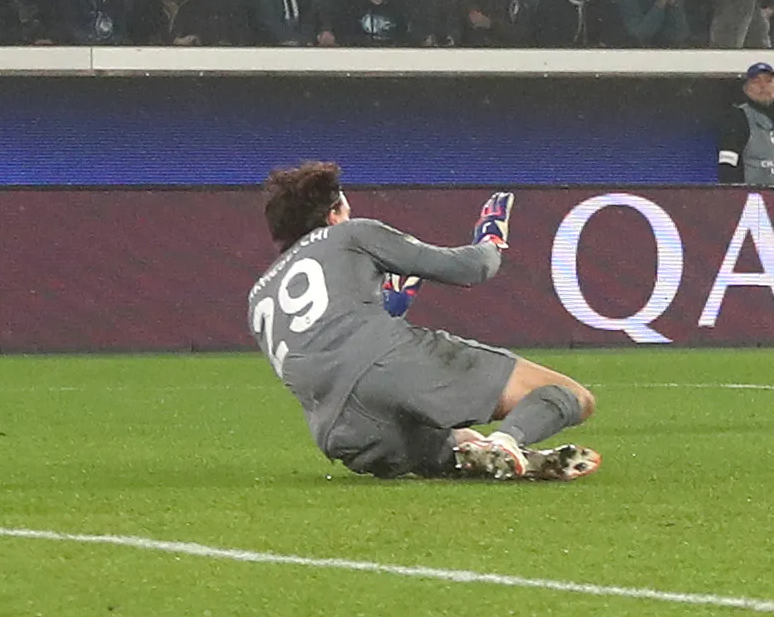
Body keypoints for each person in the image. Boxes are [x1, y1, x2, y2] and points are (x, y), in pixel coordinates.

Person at [248, 164, 597, 481]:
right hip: (388, 363)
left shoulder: (259, 297)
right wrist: (491, 238)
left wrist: (390, 307)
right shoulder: (349, 235)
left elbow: (324, 347)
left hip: (341, 431)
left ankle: (480, 455)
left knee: (459, 443)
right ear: (333, 214)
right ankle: (505, 442)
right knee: (572, 396)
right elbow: (472, 268)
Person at [719, 59, 774, 185]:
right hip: (756, 195)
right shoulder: (737, 118)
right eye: (756, 81)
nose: (763, 86)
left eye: (768, 81)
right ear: (746, 89)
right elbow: (727, 166)